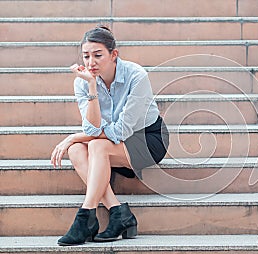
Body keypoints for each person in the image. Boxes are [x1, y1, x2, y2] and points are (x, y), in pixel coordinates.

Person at [50, 25, 169, 246]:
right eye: (86, 56)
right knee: (78, 150)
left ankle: (86, 216)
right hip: (111, 145)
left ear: (114, 55)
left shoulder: (136, 76)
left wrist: (74, 136)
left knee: (95, 146)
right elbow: (93, 130)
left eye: (97, 55)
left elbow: (120, 131)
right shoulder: (83, 82)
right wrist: (92, 87)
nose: (90, 62)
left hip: (147, 139)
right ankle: (118, 212)